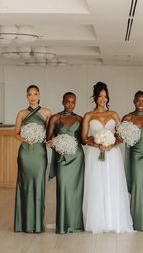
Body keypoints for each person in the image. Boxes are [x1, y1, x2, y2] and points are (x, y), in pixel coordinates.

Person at [81, 82, 133, 233]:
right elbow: (84, 138)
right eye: (100, 96)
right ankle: (98, 222)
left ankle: (113, 221)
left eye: (105, 96)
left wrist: (111, 144)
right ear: (95, 97)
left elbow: (121, 135)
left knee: (112, 183)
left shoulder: (114, 115)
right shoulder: (89, 116)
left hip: (112, 154)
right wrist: (98, 145)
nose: (103, 99)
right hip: (95, 154)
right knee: (96, 184)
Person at [14, 85, 51, 233]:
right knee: (25, 185)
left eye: (35, 94)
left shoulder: (46, 112)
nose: (33, 97)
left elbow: (50, 133)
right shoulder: (21, 113)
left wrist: (51, 141)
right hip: (25, 153)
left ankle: (37, 224)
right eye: (29, 95)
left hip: (39, 153)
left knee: (38, 184)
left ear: (39, 95)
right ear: (26, 96)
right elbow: (15, 133)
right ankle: (24, 224)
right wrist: (25, 139)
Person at [47, 92, 84, 234]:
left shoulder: (79, 119)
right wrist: (59, 145)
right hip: (62, 157)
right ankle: (62, 225)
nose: (70, 105)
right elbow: (49, 139)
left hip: (77, 158)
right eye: (67, 102)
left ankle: (75, 225)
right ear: (62, 102)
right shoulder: (55, 118)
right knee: (63, 189)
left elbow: (82, 141)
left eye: (73, 102)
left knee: (76, 190)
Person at [122, 90, 143, 231]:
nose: (140, 103)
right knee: (137, 184)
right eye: (138, 100)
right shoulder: (128, 118)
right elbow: (120, 135)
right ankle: (137, 221)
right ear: (133, 101)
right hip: (135, 154)